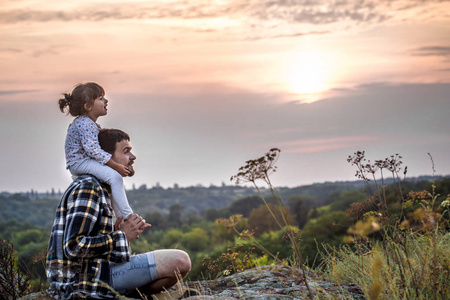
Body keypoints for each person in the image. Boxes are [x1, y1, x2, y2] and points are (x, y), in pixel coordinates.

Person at [46, 128, 191, 299]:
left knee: (176, 265)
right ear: (104, 157)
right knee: (180, 261)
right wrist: (122, 236)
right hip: (84, 283)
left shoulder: (102, 188)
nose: (133, 157)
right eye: (126, 151)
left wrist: (117, 234)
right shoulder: (89, 187)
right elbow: (73, 246)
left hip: (96, 274)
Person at [58, 82, 133, 219]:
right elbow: (93, 151)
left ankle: (121, 216)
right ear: (88, 106)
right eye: (100, 98)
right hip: (80, 162)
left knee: (111, 180)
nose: (106, 101)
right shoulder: (85, 123)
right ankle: (127, 216)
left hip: (81, 161)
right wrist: (116, 166)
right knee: (115, 177)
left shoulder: (88, 124)